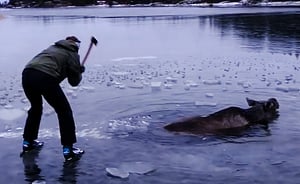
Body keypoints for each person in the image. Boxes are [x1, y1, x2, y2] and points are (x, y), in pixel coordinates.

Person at [21, 36, 85, 161]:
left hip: (27, 74)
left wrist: (75, 70)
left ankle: (27, 143)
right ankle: (68, 149)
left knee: (35, 108)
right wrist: (78, 72)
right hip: (45, 77)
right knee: (64, 111)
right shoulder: (72, 54)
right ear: (76, 45)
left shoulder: (52, 48)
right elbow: (74, 82)